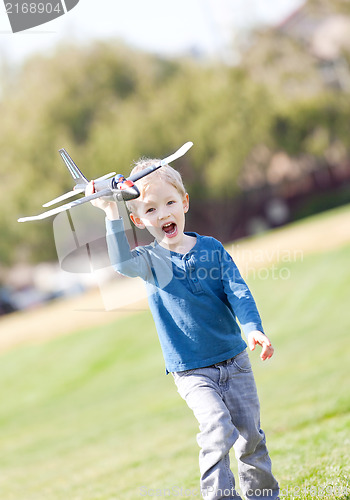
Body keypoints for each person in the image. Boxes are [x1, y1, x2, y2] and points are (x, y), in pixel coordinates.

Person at [86, 158, 280, 500]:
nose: (162, 214)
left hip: (235, 361)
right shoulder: (148, 261)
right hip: (192, 371)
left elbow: (238, 291)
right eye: (150, 209)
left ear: (185, 202)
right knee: (217, 428)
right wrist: (109, 213)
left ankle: (264, 496)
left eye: (169, 203)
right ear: (138, 220)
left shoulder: (212, 249)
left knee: (251, 436)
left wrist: (252, 328)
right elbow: (120, 262)